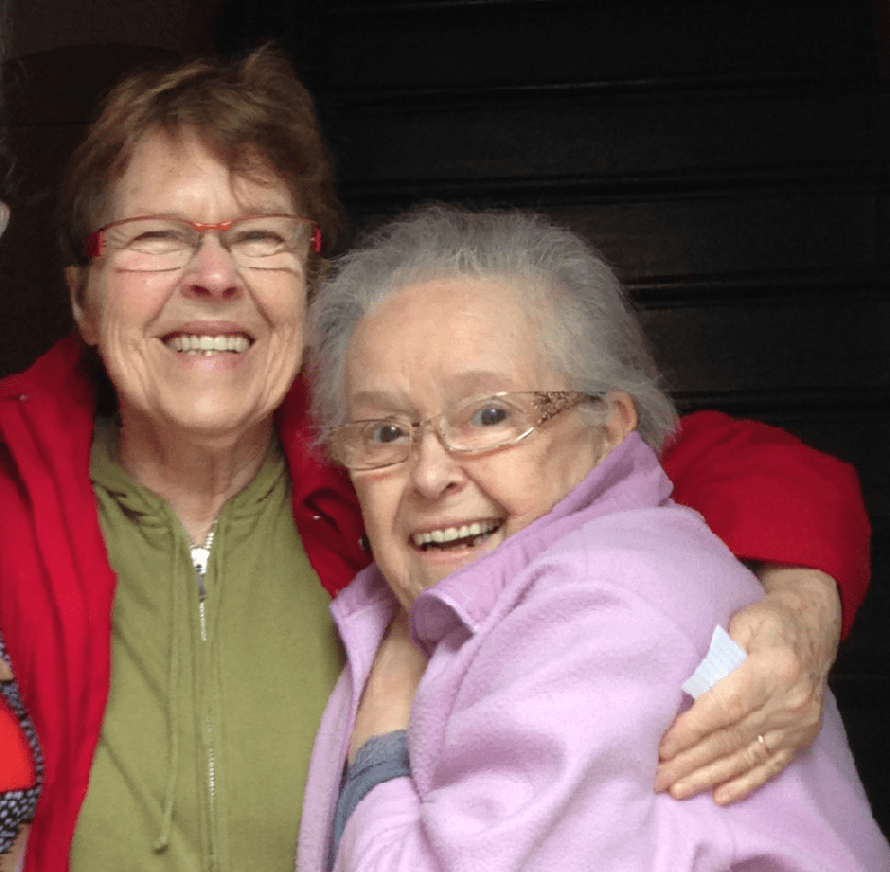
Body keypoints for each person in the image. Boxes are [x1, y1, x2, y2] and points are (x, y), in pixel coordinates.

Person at [0, 49, 871, 870]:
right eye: (156, 236)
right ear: (82, 298)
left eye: (261, 237)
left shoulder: (373, 457)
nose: (214, 276)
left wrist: (796, 605)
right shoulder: (15, 482)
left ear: (311, 288)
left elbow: (705, 461)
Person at [298, 204, 888, 871]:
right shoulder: (507, 590)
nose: (431, 474)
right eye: (384, 432)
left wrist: (382, 745)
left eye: (490, 416)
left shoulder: (602, 608)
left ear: (611, 428)